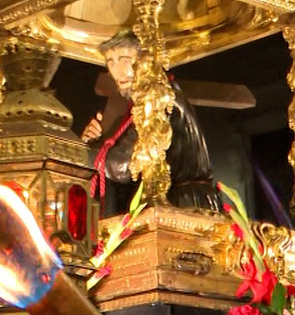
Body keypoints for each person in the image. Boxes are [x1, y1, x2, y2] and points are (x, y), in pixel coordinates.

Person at [81, 30, 219, 215]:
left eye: (126, 61)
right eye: (111, 63)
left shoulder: (162, 99)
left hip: (185, 204)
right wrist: (96, 142)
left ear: (147, 61)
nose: (118, 72)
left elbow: (126, 166)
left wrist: (81, 154)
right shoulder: (138, 105)